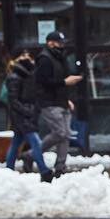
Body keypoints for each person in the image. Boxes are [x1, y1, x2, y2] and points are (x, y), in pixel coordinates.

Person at [34, 30, 83, 178]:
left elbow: (61, 81)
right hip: (49, 102)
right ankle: (32, 154)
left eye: (62, 43)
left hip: (61, 101)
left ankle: (60, 166)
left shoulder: (60, 58)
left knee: (66, 135)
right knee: (60, 133)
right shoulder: (44, 59)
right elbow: (43, 82)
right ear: (50, 43)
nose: (61, 45)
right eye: (59, 43)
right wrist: (65, 82)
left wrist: (67, 98)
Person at [2, 48, 51, 179]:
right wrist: (28, 111)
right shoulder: (15, 77)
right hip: (22, 116)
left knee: (16, 143)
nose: (27, 58)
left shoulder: (28, 74)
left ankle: (8, 170)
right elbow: (14, 100)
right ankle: (44, 170)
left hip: (25, 114)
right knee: (35, 143)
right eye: (23, 55)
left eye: (29, 55)